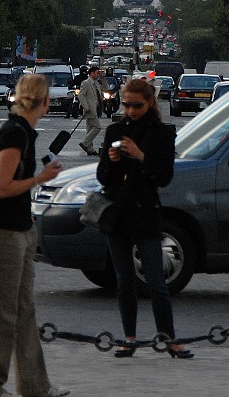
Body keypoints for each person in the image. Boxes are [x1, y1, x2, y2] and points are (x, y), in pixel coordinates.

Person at [0, 73, 69, 397]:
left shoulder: (23, 131)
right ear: (44, 101)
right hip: (2, 231)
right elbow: (2, 187)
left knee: (24, 309)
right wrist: (41, 177)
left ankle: (34, 385)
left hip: (20, 229)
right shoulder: (15, 134)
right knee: (1, 313)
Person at [96, 77, 193, 360]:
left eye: (136, 105)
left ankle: (169, 337)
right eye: (126, 104)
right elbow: (103, 176)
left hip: (145, 211)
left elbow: (164, 177)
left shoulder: (161, 133)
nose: (130, 110)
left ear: (149, 103)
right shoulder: (115, 129)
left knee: (156, 280)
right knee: (124, 278)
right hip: (118, 212)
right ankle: (129, 338)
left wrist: (140, 156)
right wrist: (112, 161)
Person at [78, 65, 103, 156]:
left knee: (90, 129)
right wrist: (86, 106)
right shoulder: (86, 83)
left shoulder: (96, 83)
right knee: (97, 127)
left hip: (95, 108)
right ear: (91, 73)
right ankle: (85, 143)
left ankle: (89, 148)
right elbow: (81, 95)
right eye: (97, 73)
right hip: (90, 109)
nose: (98, 75)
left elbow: (100, 92)